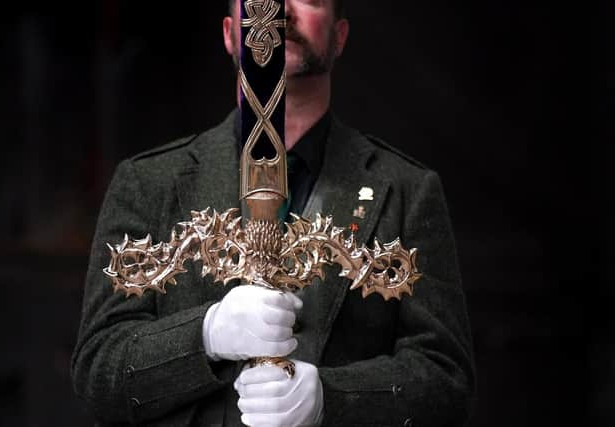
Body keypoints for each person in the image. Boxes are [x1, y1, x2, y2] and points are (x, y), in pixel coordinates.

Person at [71, 0, 476, 425]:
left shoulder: (406, 189)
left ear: (339, 36)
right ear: (230, 34)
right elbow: (99, 372)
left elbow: (446, 381)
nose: (279, 11)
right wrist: (205, 334)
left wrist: (330, 400)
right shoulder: (149, 183)